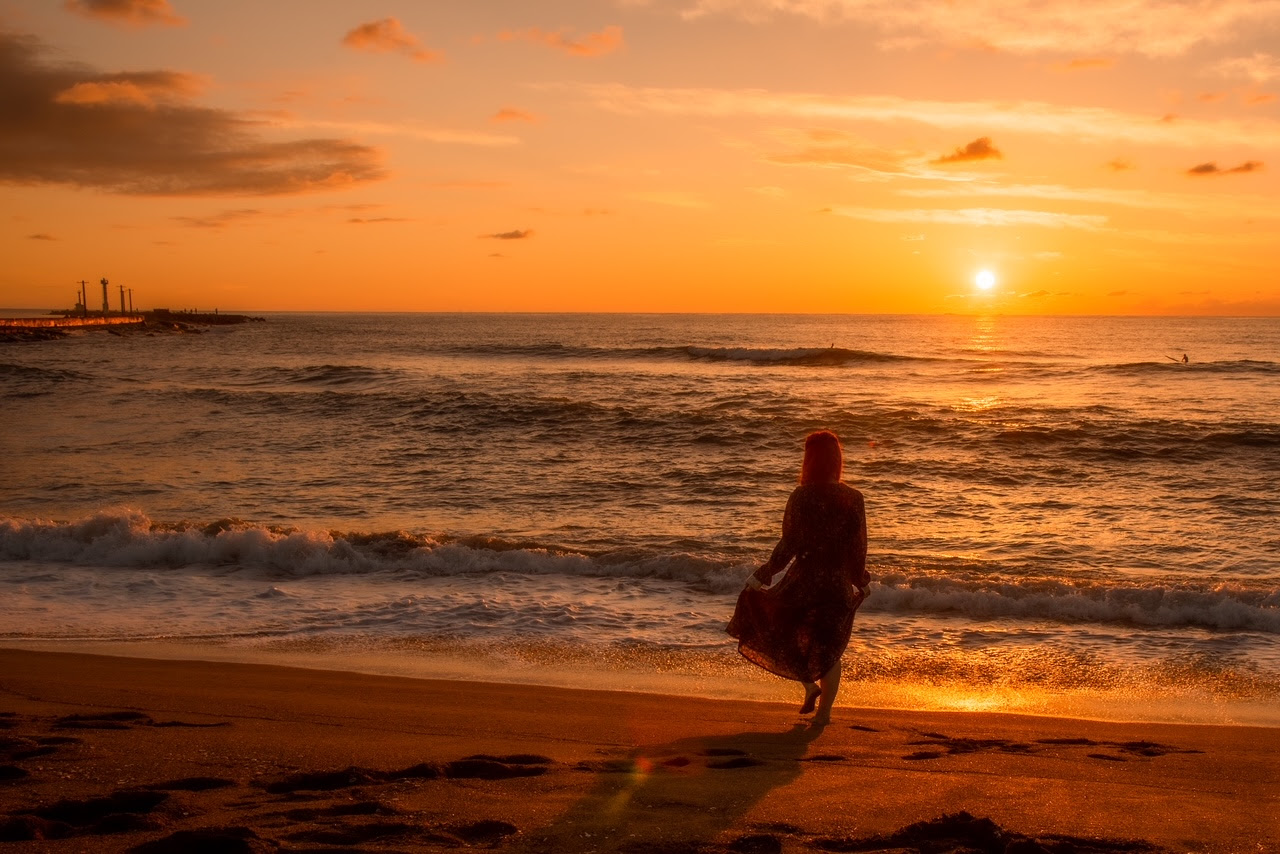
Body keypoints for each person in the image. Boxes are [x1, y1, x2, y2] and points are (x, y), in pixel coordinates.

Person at [727, 430, 869, 726]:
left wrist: (764, 574)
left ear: (809, 460)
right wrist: (860, 580)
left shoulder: (801, 496)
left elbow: (789, 544)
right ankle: (824, 715)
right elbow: (857, 548)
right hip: (837, 585)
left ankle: (808, 685)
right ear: (837, 460)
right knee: (829, 650)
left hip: (804, 582)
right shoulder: (854, 498)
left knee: (781, 633)